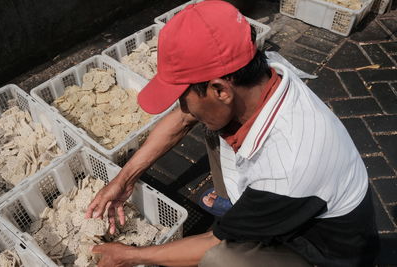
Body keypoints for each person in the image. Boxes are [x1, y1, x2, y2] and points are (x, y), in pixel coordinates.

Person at [86, 1, 379, 266]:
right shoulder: (262, 75)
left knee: (221, 258)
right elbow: (183, 119)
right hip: (285, 203)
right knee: (211, 124)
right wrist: (124, 180)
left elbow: (211, 243)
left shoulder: (287, 170)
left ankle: (247, 218)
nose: (180, 106)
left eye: (182, 96)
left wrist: (128, 255)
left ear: (220, 90)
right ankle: (242, 207)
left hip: (321, 253)